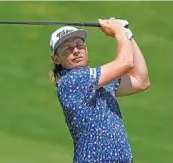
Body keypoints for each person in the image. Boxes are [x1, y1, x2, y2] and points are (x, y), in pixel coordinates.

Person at [49, 18, 150, 163]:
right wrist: (119, 32)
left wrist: (128, 35)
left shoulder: (96, 80)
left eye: (79, 45)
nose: (76, 51)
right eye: (68, 49)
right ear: (56, 59)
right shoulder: (71, 81)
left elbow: (141, 81)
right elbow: (126, 62)